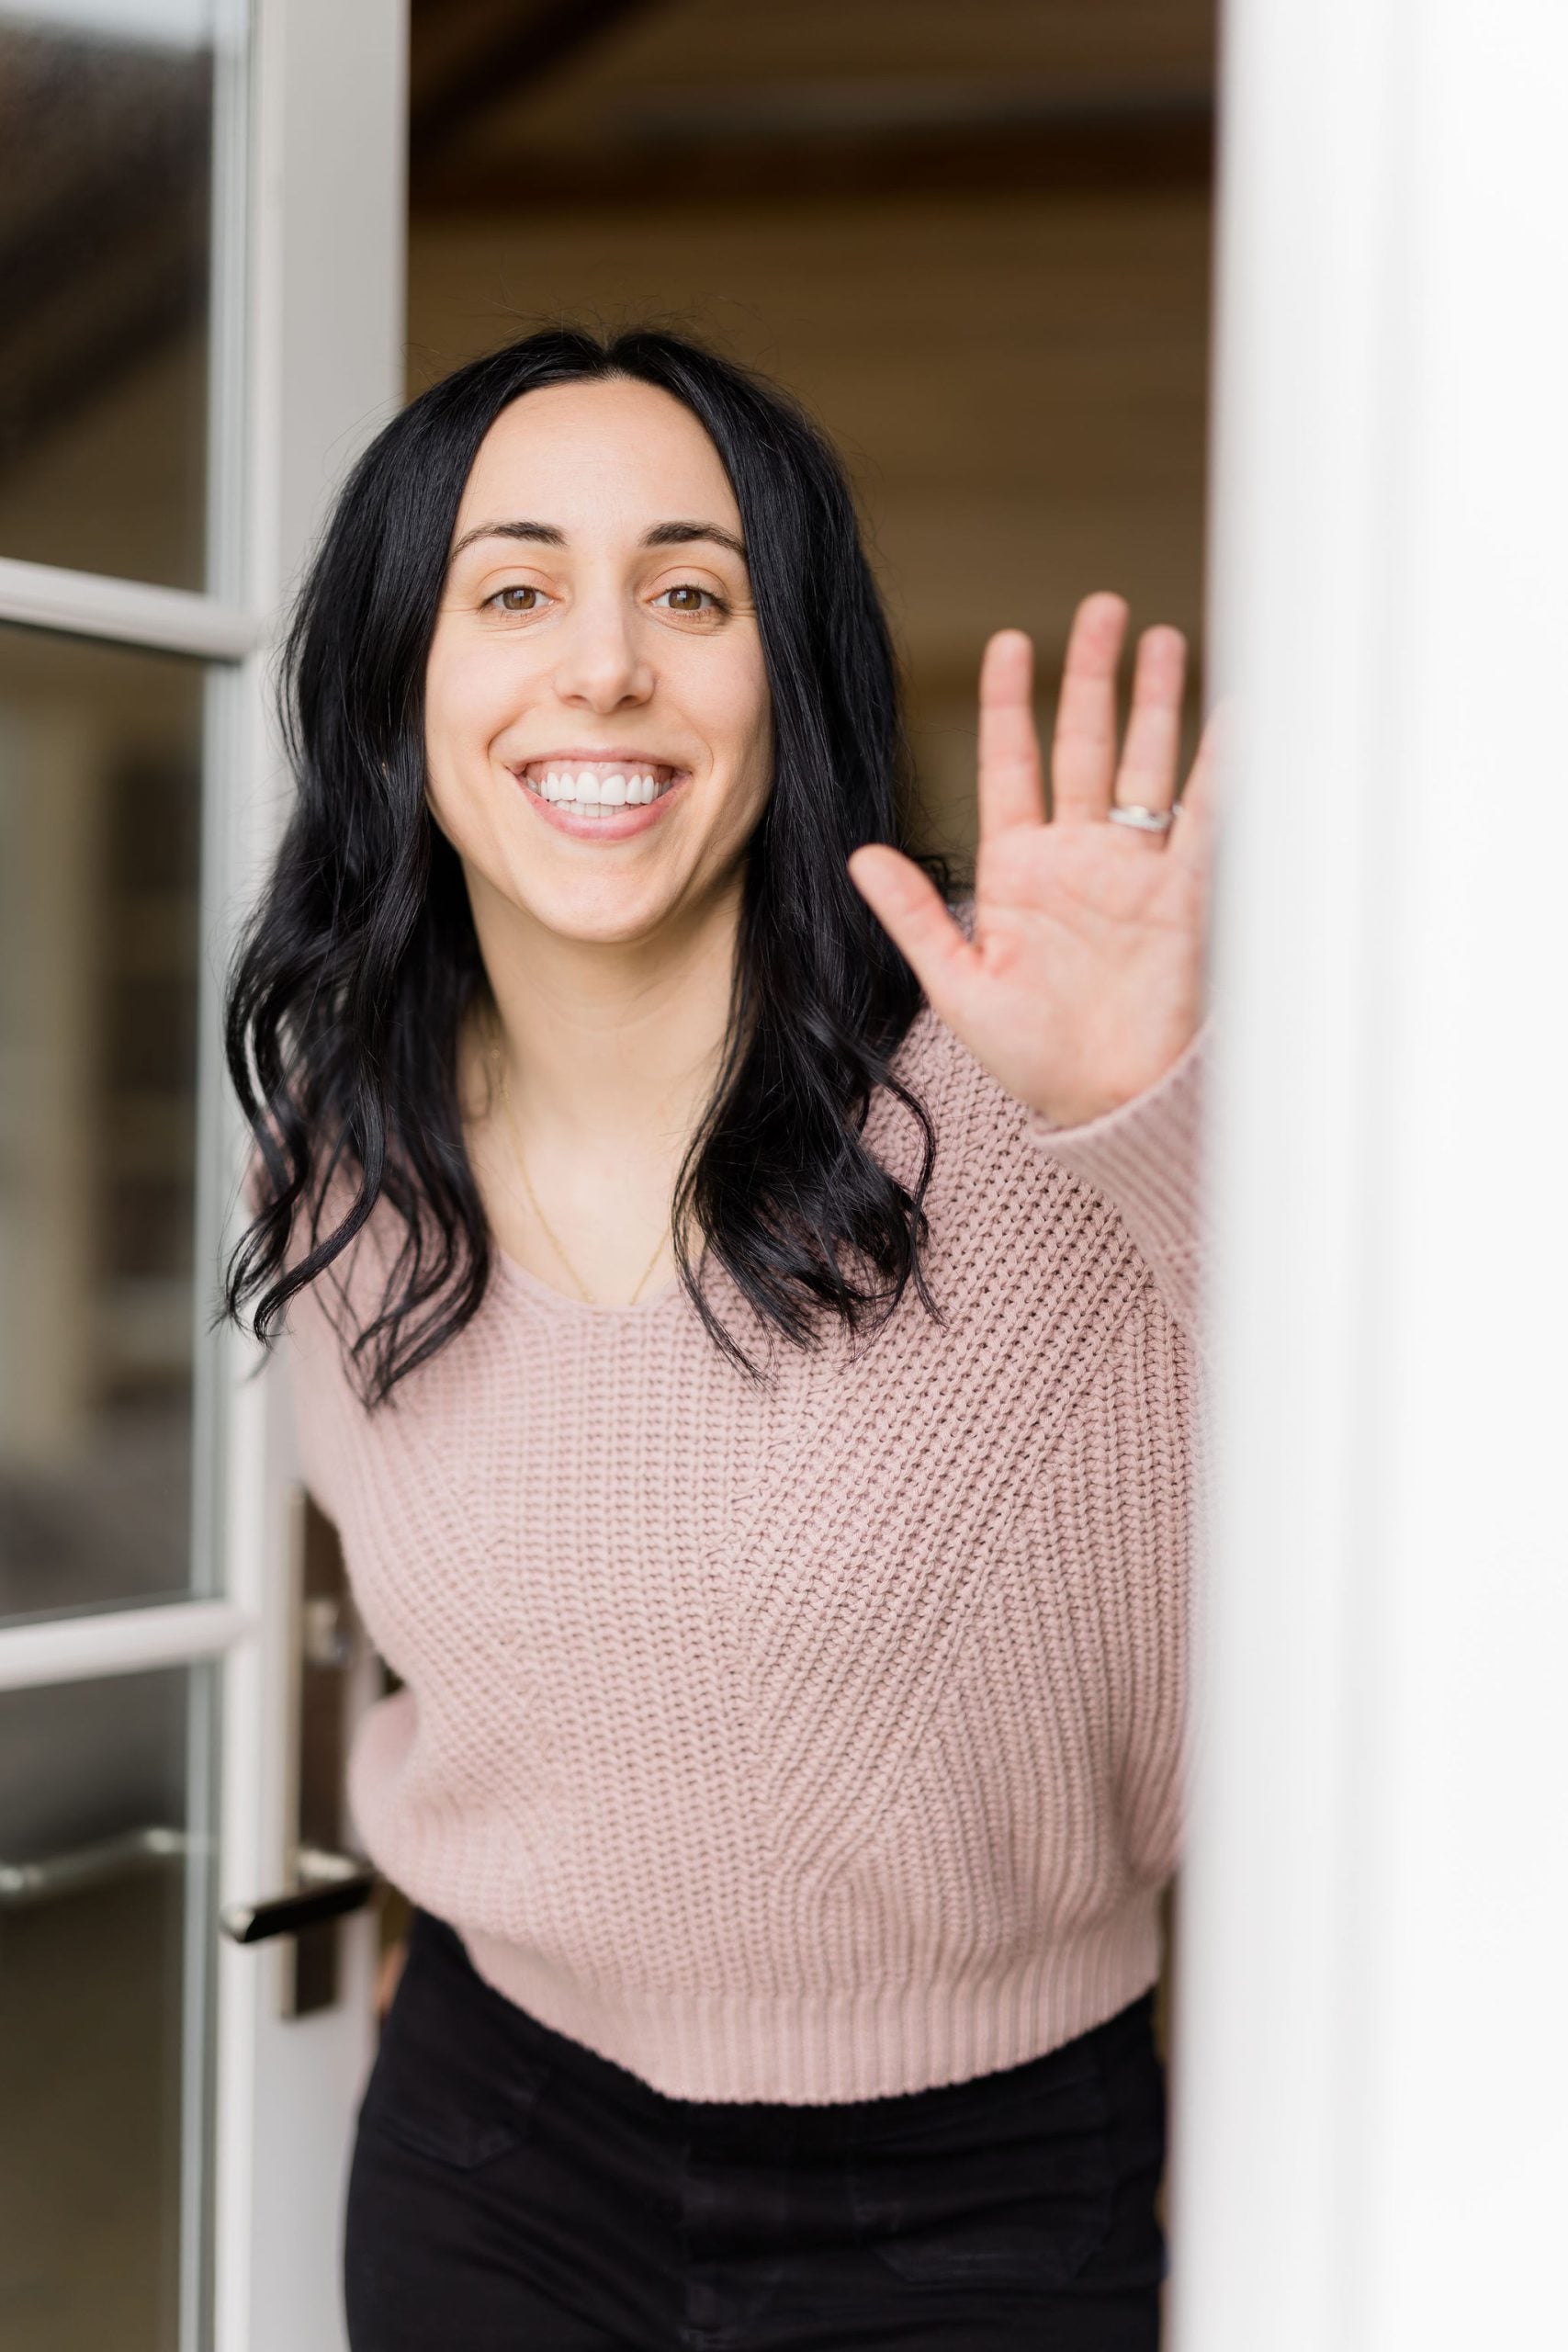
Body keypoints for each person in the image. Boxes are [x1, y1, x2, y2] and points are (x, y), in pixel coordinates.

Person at [224, 324, 1214, 2351]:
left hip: (990, 2190)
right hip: (494, 2145)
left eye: (692, 591)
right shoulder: (337, 1171)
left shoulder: (1036, 1095)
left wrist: (1156, 1109)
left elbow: (1431, 1494)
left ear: (795, 681)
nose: (602, 665)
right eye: (513, 590)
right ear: (404, 682)